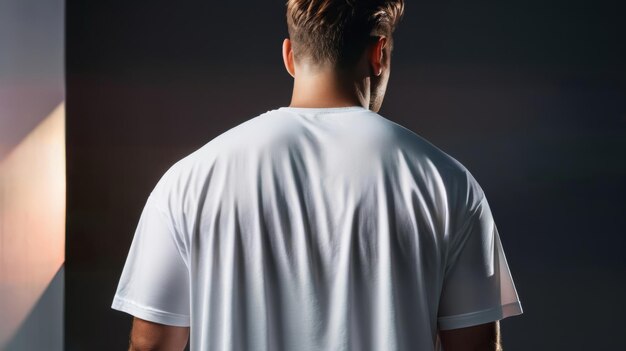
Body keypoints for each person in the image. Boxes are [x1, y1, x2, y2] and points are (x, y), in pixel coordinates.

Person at [111, 0, 523, 350]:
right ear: (379, 53)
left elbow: (150, 344)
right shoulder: (446, 184)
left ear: (289, 56)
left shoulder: (189, 181)